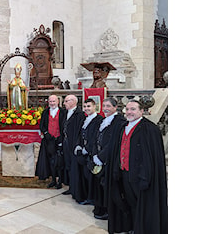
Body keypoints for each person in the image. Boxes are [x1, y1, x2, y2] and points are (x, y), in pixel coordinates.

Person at [107, 99, 168, 234]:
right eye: (127, 109)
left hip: (141, 177)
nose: (129, 112)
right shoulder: (123, 127)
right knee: (130, 203)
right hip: (125, 173)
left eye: (133, 109)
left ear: (141, 111)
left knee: (143, 206)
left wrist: (145, 177)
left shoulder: (150, 129)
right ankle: (133, 227)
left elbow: (152, 158)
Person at [89, 97, 126, 220]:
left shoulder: (119, 122)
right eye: (104, 106)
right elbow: (96, 138)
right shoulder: (103, 121)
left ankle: (110, 211)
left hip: (109, 159)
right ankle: (100, 208)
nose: (105, 109)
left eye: (108, 106)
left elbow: (113, 143)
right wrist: (94, 154)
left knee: (108, 186)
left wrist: (101, 157)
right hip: (98, 158)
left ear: (115, 107)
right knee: (99, 185)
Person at [72, 98, 103, 205]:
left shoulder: (99, 120)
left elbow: (95, 137)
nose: (86, 109)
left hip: (91, 152)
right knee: (83, 176)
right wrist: (78, 146)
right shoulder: (84, 119)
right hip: (83, 152)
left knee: (90, 177)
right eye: (85, 107)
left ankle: (91, 198)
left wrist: (87, 149)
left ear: (95, 107)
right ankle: (83, 195)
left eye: (89, 106)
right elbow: (80, 134)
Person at [35, 95, 65, 189]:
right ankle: (53, 180)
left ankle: (60, 180)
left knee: (59, 161)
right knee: (51, 161)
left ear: (58, 102)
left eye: (54, 101)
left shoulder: (63, 112)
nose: (52, 103)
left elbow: (65, 125)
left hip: (60, 140)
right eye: (50, 101)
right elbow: (42, 125)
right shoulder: (45, 112)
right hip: (49, 141)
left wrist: (61, 137)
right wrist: (46, 133)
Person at [61, 94, 85, 196]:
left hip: (74, 143)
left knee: (74, 166)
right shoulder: (65, 113)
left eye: (66, 101)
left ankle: (76, 189)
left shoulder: (80, 114)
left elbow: (79, 131)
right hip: (66, 142)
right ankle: (71, 186)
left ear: (73, 102)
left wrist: (77, 144)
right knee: (68, 165)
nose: (64, 103)